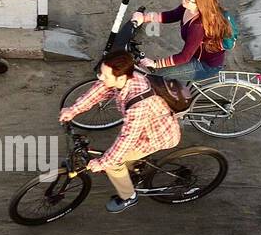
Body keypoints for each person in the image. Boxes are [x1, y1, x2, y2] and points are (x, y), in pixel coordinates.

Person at [59, 50, 181, 213]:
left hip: (156, 136)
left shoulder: (139, 104)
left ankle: (129, 197)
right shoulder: (124, 75)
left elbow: (127, 140)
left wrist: (102, 163)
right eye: (101, 73)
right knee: (119, 157)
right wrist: (73, 110)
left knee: (113, 163)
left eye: (105, 75)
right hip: (146, 126)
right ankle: (134, 167)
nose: (100, 77)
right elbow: (99, 90)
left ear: (121, 78)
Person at [132, 0, 235, 83]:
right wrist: (145, 18)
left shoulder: (198, 26)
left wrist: (155, 63)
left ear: (199, 4)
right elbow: (172, 15)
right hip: (194, 54)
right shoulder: (189, 8)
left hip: (204, 65)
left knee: (158, 75)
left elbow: (184, 57)